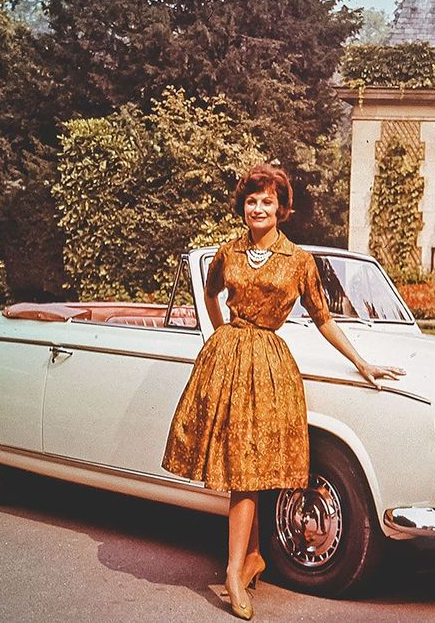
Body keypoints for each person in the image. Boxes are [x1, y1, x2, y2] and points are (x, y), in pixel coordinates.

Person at [162, 163, 404, 619]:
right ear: (243, 207)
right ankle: (244, 564)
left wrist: (361, 362)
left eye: (267, 202)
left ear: (280, 209)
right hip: (228, 361)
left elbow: (323, 319)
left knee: (252, 469)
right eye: (251, 201)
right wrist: (221, 334)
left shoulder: (298, 260)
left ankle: (241, 566)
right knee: (241, 468)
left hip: (270, 369)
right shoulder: (228, 252)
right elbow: (211, 294)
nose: (258, 208)